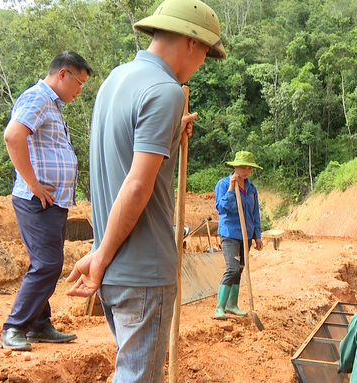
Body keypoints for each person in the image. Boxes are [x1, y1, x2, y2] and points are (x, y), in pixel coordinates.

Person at [64, 0, 226, 381]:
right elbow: (136, 186)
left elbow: (121, 158)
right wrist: (100, 257)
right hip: (142, 272)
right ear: (191, 43)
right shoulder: (166, 91)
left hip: (116, 270)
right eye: (204, 52)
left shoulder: (114, 81)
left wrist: (172, 133)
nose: (201, 63)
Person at [0, 51, 92, 351]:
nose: (79, 90)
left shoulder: (52, 104)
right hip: (37, 200)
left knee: (46, 262)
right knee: (48, 264)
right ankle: (14, 327)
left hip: (52, 202)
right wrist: (33, 184)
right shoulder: (38, 98)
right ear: (62, 74)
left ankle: (39, 324)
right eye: (79, 82)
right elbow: (13, 135)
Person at [213, 151, 264, 320]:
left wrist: (257, 235)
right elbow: (221, 208)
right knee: (232, 268)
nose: (246, 171)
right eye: (242, 167)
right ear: (235, 166)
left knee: (240, 269)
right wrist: (230, 189)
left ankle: (232, 305)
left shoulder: (251, 188)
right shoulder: (223, 184)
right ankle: (219, 308)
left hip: (246, 234)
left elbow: (254, 212)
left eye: (249, 168)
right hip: (230, 233)